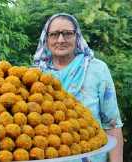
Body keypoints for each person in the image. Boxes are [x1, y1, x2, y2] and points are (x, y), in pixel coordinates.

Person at [32, 13, 123, 162]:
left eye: (67, 33)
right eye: (54, 34)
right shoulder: (36, 74)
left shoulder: (97, 70)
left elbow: (112, 123)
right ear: (46, 39)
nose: (60, 39)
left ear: (77, 36)